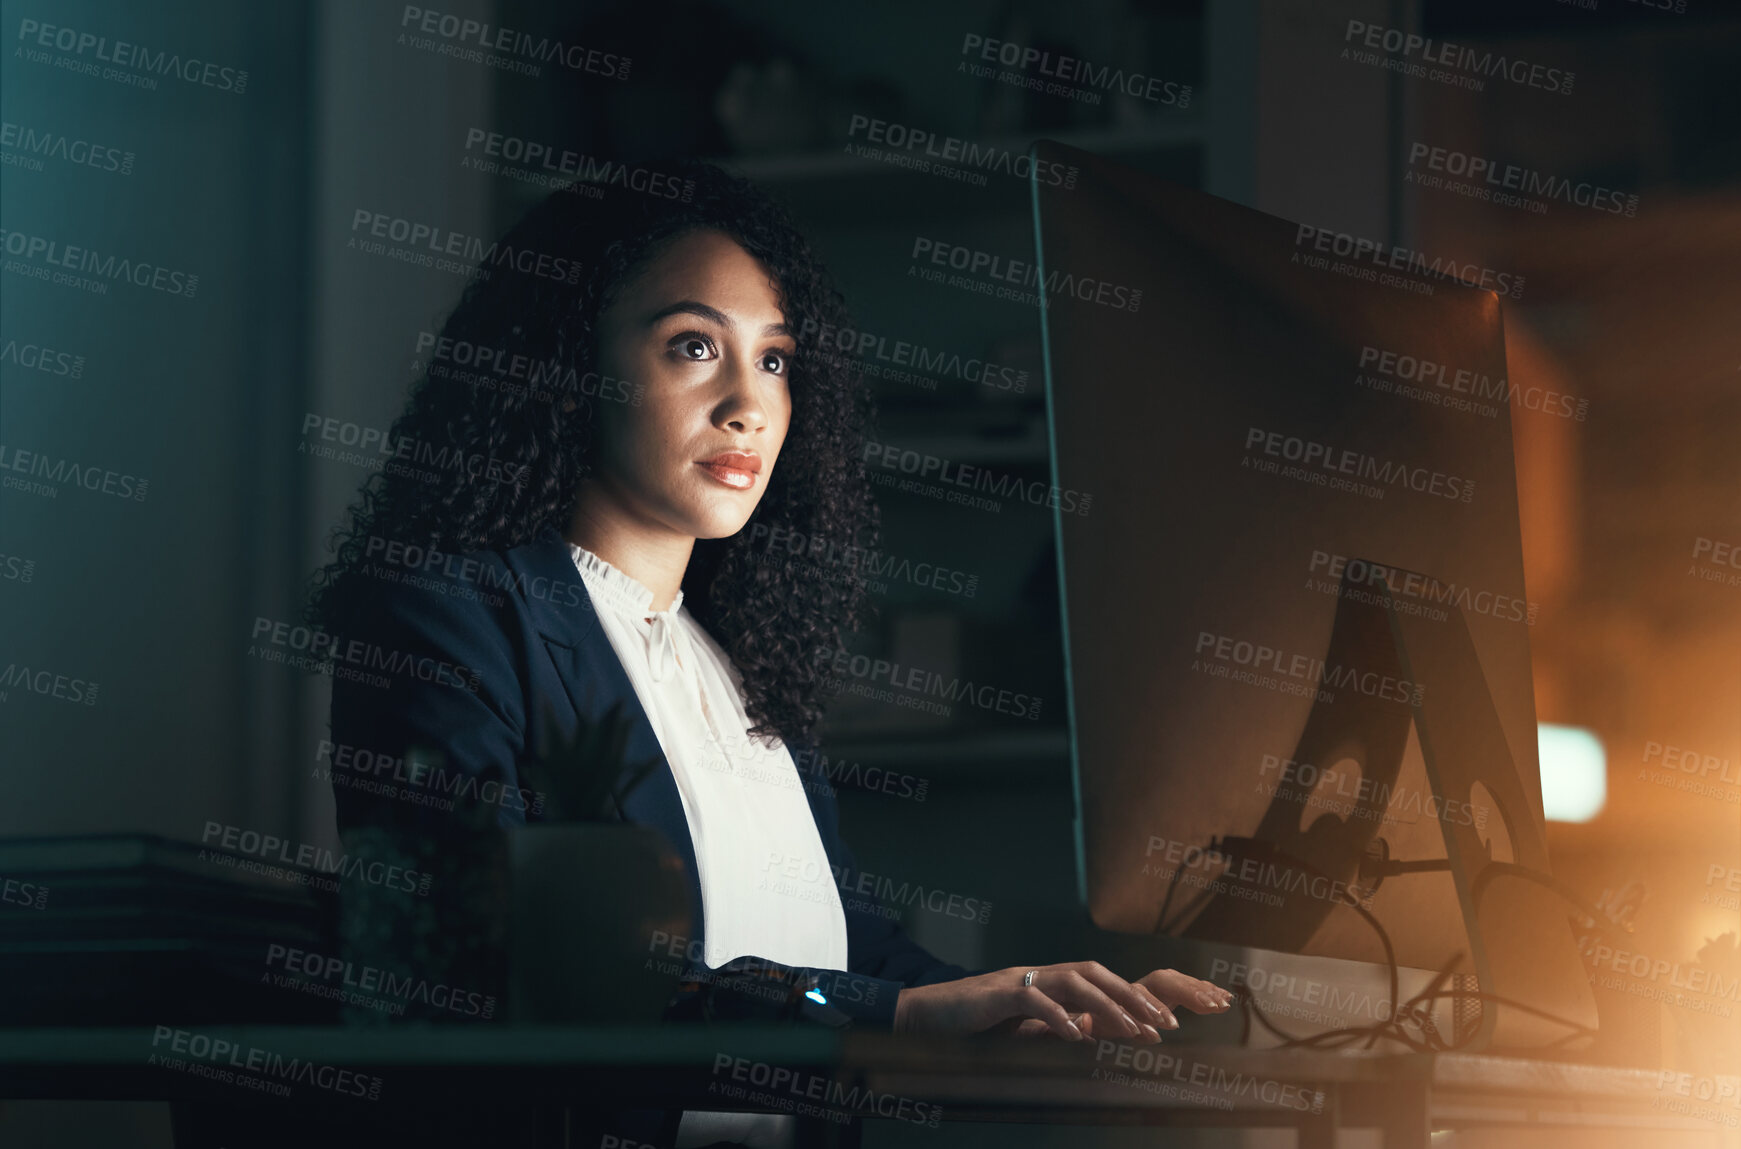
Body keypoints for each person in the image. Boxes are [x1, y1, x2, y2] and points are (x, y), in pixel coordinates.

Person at [307, 160, 1230, 1145]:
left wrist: (1047, 1002)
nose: (747, 402)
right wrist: (894, 1017)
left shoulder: (734, 659)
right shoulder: (448, 616)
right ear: (568, 363)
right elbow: (501, 976)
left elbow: (848, 952)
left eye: (777, 360)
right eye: (693, 346)